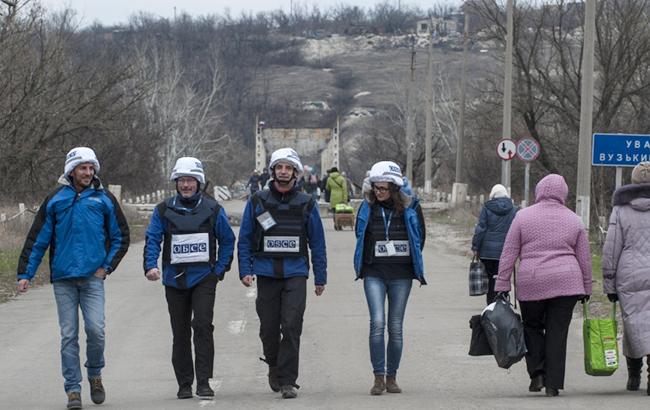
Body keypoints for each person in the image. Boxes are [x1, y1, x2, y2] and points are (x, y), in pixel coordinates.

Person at [16, 147, 130, 410]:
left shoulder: (104, 199)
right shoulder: (56, 200)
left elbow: (121, 237)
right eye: (83, 168)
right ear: (71, 170)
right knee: (68, 335)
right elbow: (37, 240)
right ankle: (73, 389)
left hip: (92, 279)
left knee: (96, 331)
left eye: (91, 168)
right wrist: (25, 273)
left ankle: (95, 374)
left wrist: (106, 267)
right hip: (64, 280)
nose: (88, 173)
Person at [237, 147, 327, 399]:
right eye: (279, 167)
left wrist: (320, 277)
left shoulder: (307, 203)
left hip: (296, 273)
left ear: (295, 172)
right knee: (268, 328)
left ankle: (288, 380)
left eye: (288, 167)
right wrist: (245, 269)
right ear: (273, 171)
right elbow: (244, 238)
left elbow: (317, 242)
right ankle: (274, 365)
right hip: (266, 272)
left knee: (291, 326)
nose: (284, 171)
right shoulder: (258, 201)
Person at [143, 157, 235, 400]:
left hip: (204, 277)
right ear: (176, 182)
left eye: (190, 181)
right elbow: (153, 238)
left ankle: (204, 382)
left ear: (199, 182)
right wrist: (150, 266)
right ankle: (184, 383)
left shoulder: (213, 209)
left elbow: (227, 240)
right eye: (182, 180)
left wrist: (219, 271)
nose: (186, 185)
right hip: (174, 280)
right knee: (180, 332)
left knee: (202, 326)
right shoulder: (163, 209)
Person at [495, 174, 591, 397]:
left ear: (538, 191)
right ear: (564, 194)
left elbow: (509, 252)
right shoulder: (574, 220)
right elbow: (584, 258)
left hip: (533, 281)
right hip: (567, 282)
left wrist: (502, 283)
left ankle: (537, 374)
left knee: (532, 327)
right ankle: (553, 383)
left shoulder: (522, 217)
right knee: (558, 332)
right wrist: (586, 287)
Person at [353, 161, 426, 396]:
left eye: (383, 188)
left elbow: (419, 237)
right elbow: (360, 233)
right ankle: (378, 377)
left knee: (395, 327)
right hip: (374, 272)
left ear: (394, 188)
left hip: (401, 275)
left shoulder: (411, 206)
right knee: (377, 323)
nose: (378, 192)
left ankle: (392, 376)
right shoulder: (367, 207)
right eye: (375, 188)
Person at [602, 161, 650, 394]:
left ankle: (634, 375)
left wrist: (609, 283)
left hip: (629, 274)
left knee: (633, 324)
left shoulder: (621, 210)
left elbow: (612, 248)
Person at [471, 184, 517, 304]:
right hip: (506, 250)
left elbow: (481, 229)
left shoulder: (487, 207)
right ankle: (503, 300)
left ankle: (491, 303)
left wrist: (476, 246)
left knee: (491, 279)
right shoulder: (513, 209)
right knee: (503, 276)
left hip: (487, 251)